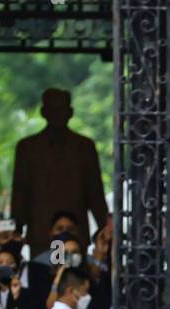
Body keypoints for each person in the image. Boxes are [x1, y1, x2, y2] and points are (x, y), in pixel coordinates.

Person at [11, 88, 109, 256]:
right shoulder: (28, 148)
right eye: (53, 110)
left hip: (75, 233)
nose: (57, 115)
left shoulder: (84, 147)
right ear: (44, 112)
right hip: (41, 233)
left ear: (70, 112)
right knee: (43, 277)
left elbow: (95, 192)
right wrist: (16, 228)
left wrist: (105, 227)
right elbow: (20, 191)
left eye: (61, 109)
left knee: (74, 278)